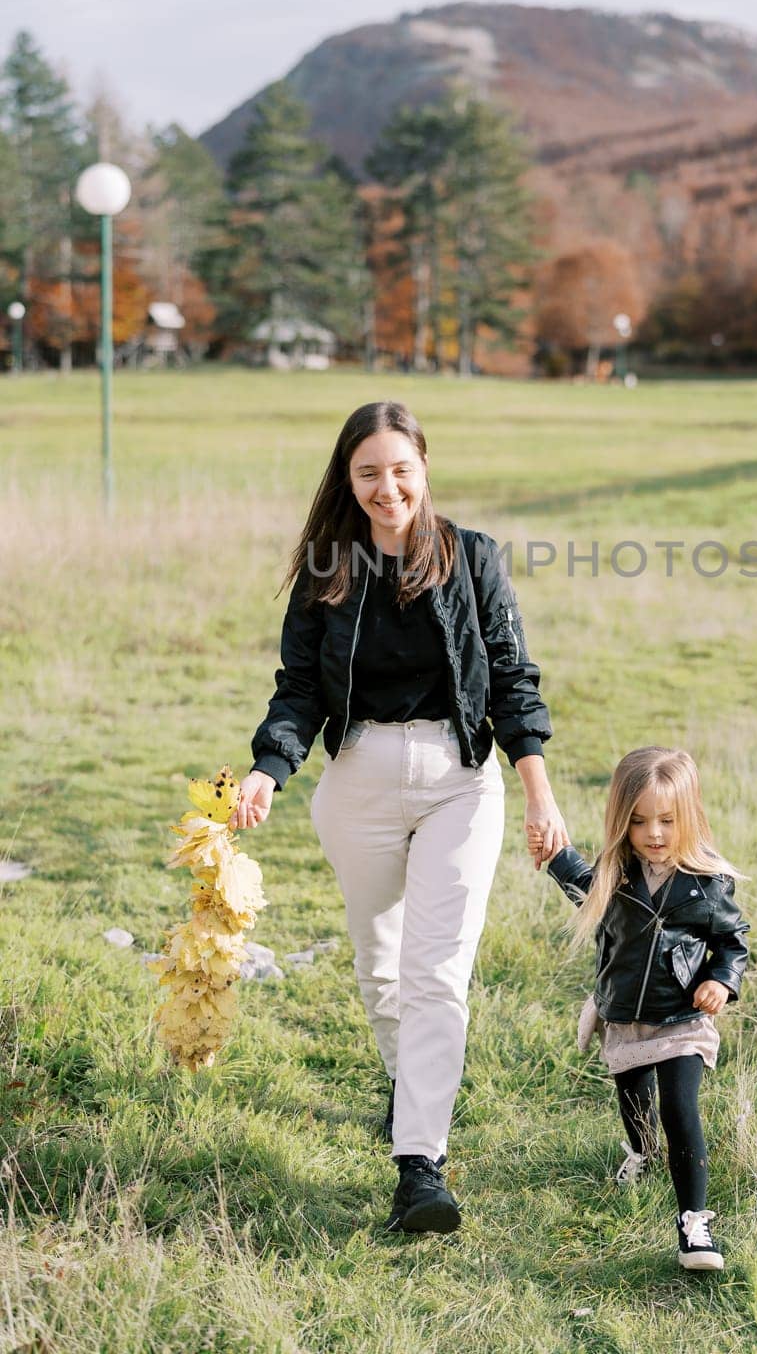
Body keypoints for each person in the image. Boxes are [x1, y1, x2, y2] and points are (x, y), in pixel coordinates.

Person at [232, 399, 569, 1234]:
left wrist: (539, 790)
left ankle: (420, 1165)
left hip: (461, 779)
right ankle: (410, 1083)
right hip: (359, 781)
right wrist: (269, 768)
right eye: (369, 473)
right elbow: (299, 687)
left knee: (435, 973)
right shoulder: (327, 568)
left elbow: (512, 677)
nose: (389, 489)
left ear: (425, 467)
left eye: (401, 470)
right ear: (349, 480)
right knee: (380, 967)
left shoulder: (473, 558)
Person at [537, 745, 749, 1272]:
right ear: (622, 822)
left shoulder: (708, 882)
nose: (653, 833)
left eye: (666, 820)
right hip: (625, 1016)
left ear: (688, 816)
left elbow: (733, 942)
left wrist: (721, 981)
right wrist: (553, 854)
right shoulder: (616, 875)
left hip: (681, 1018)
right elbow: (583, 889)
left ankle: (694, 1225)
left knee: (681, 1110)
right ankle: (641, 1151)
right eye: (638, 821)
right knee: (636, 1108)